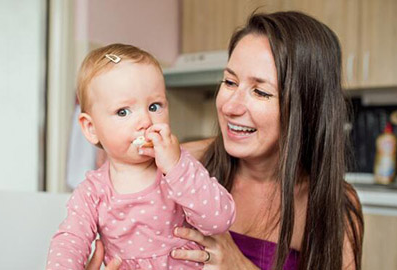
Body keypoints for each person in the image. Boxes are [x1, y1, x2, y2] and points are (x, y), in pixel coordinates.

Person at [86, 11, 364, 270]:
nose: (230, 106)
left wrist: (240, 266)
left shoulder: (333, 203)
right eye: (229, 82)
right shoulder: (180, 164)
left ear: (308, 104)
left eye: (260, 92)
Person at [46, 43, 236, 270]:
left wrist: (176, 167)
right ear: (90, 128)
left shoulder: (179, 170)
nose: (145, 121)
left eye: (155, 106)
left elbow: (219, 220)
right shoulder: (93, 192)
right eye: (123, 112)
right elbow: (70, 240)